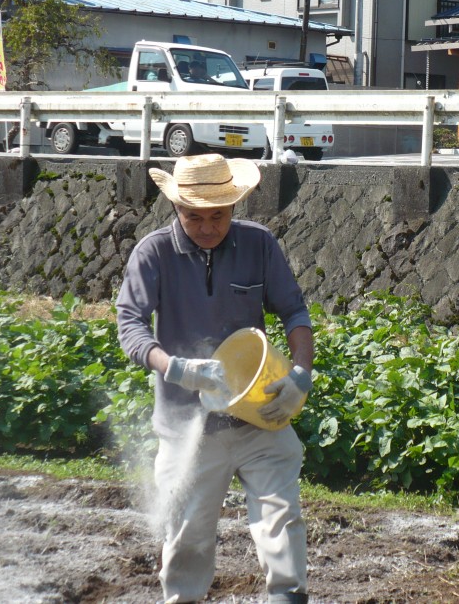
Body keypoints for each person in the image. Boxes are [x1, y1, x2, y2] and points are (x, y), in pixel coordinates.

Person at [116, 153, 314, 604]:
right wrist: (175, 367)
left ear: (234, 207)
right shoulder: (154, 253)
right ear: (176, 209)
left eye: (218, 216)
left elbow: (294, 312)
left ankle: (288, 597)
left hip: (260, 415)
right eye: (194, 217)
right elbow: (130, 323)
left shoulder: (259, 245)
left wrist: (301, 373)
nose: (207, 228)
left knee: (281, 521)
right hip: (190, 427)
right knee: (187, 538)